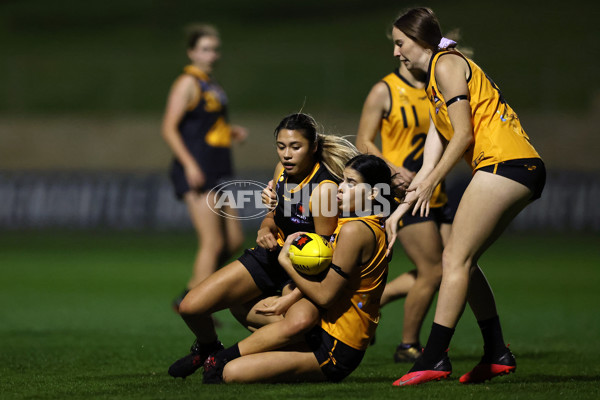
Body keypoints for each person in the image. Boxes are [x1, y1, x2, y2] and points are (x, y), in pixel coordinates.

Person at [385, 8, 546, 386]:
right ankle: (496, 353)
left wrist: (430, 184)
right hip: (511, 167)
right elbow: (428, 162)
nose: (395, 53)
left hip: (506, 164)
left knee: (453, 258)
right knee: (465, 261)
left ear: (419, 39)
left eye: (399, 43)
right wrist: (398, 213)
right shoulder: (434, 85)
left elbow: (464, 135)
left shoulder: (448, 64)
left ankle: (434, 356)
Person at [167, 112, 359, 379]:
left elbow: (327, 254)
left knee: (299, 321)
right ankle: (209, 347)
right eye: (281, 147)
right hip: (270, 257)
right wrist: (265, 228)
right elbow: (273, 215)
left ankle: (293, 346)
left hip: (304, 271)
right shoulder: (281, 172)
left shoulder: (324, 189)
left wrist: (291, 297)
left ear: (313, 147)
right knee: (190, 307)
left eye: (295, 147)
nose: (287, 154)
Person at [200, 154, 399, 383]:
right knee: (239, 301)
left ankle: (222, 358)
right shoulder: (355, 221)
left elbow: (325, 296)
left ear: (373, 193)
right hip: (320, 328)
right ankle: (223, 357)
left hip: (337, 347)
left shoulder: (356, 231)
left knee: (231, 373)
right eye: (342, 180)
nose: (341, 189)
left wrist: (286, 262)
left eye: (351, 183)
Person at [356, 50, 455, 362]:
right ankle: (407, 346)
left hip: (436, 192)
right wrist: (392, 170)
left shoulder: (439, 89)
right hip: (402, 193)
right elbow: (363, 141)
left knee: (452, 268)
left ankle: (367, 304)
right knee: (433, 270)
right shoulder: (384, 90)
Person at [161, 24, 248, 311]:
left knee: (234, 240)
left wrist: (230, 131)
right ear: (191, 52)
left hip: (219, 167)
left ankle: (190, 293)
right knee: (211, 243)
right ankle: (198, 307)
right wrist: (189, 165)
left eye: (214, 49)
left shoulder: (211, 84)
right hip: (198, 169)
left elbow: (205, 125)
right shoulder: (187, 83)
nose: (212, 55)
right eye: (205, 49)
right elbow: (169, 128)